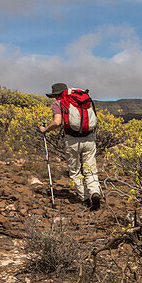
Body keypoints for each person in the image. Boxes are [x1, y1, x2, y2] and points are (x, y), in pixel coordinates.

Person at [39, 82, 102, 211]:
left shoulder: (59, 103)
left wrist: (45, 129)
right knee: (90, 169)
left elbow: (57, 122)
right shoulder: (83, 100)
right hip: (89, 138)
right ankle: (95, 193)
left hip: (72, 140)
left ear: (55, 95)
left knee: (75, 171)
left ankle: (85, 198)